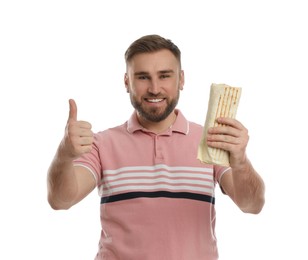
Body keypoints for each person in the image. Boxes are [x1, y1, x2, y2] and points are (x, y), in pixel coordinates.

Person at [47, 34, 265, 260]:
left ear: (181, 79)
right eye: (142, 77)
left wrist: (240, 162)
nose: (154, 88)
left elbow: (252, 204)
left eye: (164, 76)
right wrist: (64, 155)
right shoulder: (101, 144)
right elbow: (61, 200)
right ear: (126, 82)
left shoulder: (210, 139)